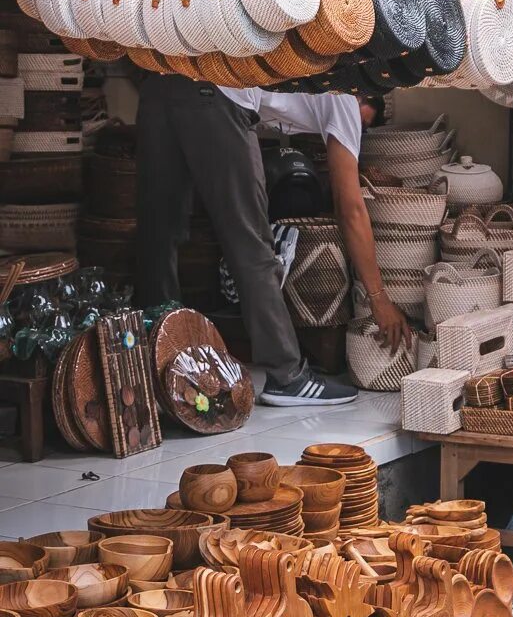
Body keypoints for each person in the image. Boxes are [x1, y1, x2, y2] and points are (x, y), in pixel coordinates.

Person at [135, 77, 410, 404]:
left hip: (160, 80)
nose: (357, 133)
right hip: (221, 94)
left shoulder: (326, 70)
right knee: (252, 245)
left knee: (160, 233)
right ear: (367, 100)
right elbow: (350, 208)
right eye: (364, 125)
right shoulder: (346, 98)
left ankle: (152, 360)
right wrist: (379, 298)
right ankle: (287, 375)